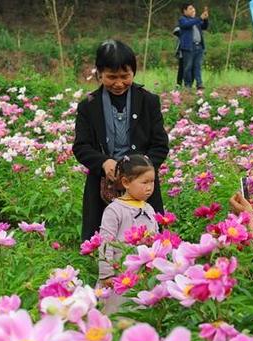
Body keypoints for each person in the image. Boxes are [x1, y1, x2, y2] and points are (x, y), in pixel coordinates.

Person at [73, 39, 169, 242]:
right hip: (102, 186)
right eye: (111, 77)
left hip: (142, 185)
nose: (118, 83)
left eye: (125, 76)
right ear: (99, 74)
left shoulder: (148, 101)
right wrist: (103, 162)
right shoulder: (88, 106)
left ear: (134, 72)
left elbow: (160, 145)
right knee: (103, 245)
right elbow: (81, 146)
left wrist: (141, 170)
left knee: (148, 244)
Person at [98, 154, 159, 312]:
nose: (149, 187)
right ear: (125, 182)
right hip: (120, 273)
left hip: (145, 273)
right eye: (144, 182)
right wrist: (106, 274)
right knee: (119, 312)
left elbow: (157, 239)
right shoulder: (115, 209)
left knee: (142, 312)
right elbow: (105, 242)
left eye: (152, 182)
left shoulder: (149, 208)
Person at [178, 3, 209, 90]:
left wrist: (205, 19)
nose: (193, 10)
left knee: (197, 66)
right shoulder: (182, 19)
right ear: (185, 11)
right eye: (190, 9)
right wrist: (200, 18)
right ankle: (188, 85)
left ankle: (199, 84)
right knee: (188, 67)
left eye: (193, 9)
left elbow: (205, 27)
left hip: (199, 46)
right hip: (188, 47)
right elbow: (187, 25)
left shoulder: (196, 20)